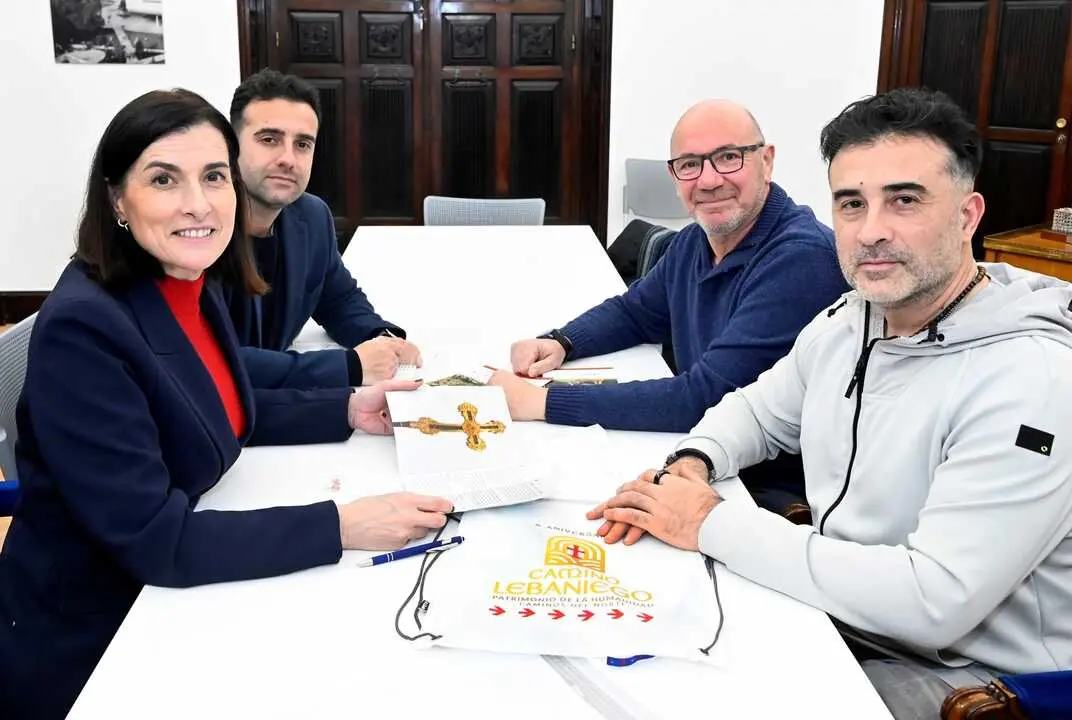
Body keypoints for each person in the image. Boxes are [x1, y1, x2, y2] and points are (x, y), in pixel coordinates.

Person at [591, 88, 1072, 720]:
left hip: (965, 676)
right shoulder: (852, 318)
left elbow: (933, 601)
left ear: (966, 215)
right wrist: (694, 461)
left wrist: (708, 522)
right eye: (852, 203)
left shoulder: (1031, 378)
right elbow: (757, 410)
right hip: (840, 611)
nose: (871, 231)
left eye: (904, 200)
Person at [0, 89, 452, 719]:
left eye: (214, 176)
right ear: (117, 199)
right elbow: (156, 540)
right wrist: (341, 525)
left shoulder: (186, 277)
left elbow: (205, 405)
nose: (199, 203)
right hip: (99, 637)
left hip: (169, 597)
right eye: (164, 179)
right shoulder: (85, 330)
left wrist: (347, 409)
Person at [490, 99, 848, 510]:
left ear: (766, 161)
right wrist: (562, 341)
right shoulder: (696, 241)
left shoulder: (802, 261)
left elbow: (704, 399)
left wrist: (541, 402)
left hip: (761, 494)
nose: (708, 180)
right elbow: (636, 313)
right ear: (674, 177)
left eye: (728, 157)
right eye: (690, 164)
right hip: (698, 454)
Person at [224, 69, 421, 390]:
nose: (288, 159)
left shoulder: (311, 216)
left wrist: (380, 337)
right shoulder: (201, 229)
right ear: (231, 147)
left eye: (303, 144)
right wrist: (350, 366)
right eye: (269, 139)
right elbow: (211, 363)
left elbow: (337, 298)